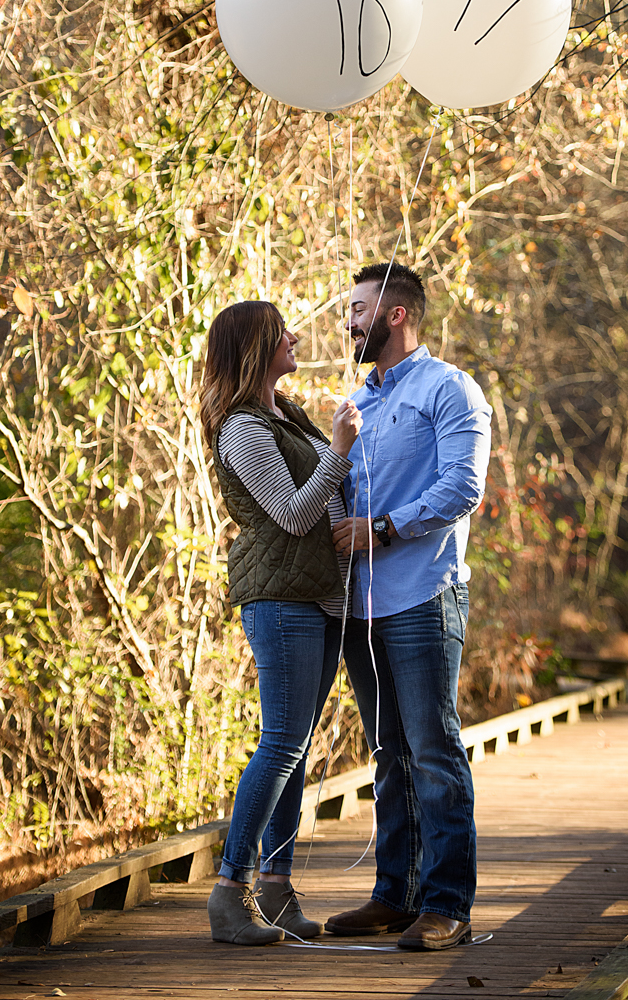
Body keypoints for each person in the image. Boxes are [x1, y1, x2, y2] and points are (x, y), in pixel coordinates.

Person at [326, 263, 492, 951]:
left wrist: (384, 527)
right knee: (388, 751)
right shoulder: (354, 402)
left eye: (360, 308)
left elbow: (463, 487)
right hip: (361, 608)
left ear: (397, 314)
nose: (350, 321)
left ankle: (446, 903)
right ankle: (394, 895)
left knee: (432, 747)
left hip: (424, 595)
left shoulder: (450, 389)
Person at [200, 300, 362, 946]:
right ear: (255, 346)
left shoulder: (282, 413)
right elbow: (293, 514)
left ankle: (277, 887)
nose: (294, 336)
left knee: (294, 750)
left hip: (319, 597)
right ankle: (229, 891)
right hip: (281, 598)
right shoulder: (241, 428)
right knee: (280, 744)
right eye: (281, 331)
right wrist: (341, 449)